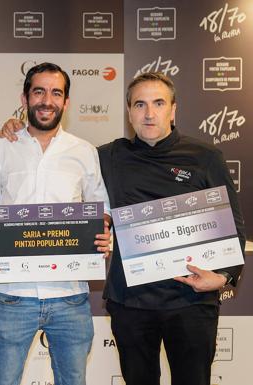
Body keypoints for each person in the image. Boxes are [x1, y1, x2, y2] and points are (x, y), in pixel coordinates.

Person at [97, 72, 246, 385]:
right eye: (140, 104)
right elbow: (61, 160)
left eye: (158, 103)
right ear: (129, 112)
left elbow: (233, 223)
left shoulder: (205, 157)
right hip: (131, 303)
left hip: (191, 301)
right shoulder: (107, 157)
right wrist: (19, 130)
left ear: (174, 109)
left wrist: (223, 276)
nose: (149, 113)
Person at [0, 62, 111, 385]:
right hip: (14, 295)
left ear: (66, 102)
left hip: (70, 295)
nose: (47, 101)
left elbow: (101, 208)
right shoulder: (1, 149)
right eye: (39, 92)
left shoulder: (84, 152)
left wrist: (102, 232)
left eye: (56, 93)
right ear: (25, 99)